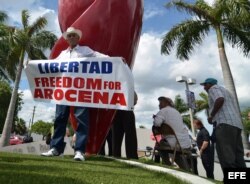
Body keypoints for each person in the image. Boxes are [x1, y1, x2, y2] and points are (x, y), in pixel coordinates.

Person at [41, 27, 108, 161]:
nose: (71, 37)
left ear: (78, 38)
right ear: (67, 39)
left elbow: (99, 56)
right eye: (69, 36)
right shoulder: (62, 54)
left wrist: (116, 60)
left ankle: (79, 151)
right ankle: (55, 149)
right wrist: (33, 64)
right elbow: (51, 65)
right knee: (60, 118)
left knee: (81, 119)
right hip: (64, 90)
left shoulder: (85, 50)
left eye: (74, 35)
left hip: (80, 90)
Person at [200, 78, 246, 172]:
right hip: (236, 125)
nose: (204, 87)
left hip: (224, 124)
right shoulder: (226, 91)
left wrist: (211, 116)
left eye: (205, 85)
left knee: (226, 156)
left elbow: (220, 99)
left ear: (210, 84)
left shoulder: (213, 89)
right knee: (238, 156)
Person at [153, 96, 191, 170]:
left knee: (159, 145)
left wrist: (156, 118)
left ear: (167, 103)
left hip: (173, 143)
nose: (159, 105)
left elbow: (156, 124)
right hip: (185, 143)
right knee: (175, 154)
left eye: (161, 102)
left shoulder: (163, 111)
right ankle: (186, 170)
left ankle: (168, 166)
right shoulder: (177, 112)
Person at [112, 92, 138, 159]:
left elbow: (135, 101)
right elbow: (135, 101)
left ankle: (116, 154)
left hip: (118, 111)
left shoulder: (115, 88)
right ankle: (131, 155)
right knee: (129, 134)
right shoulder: (130, 88)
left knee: (117, 134)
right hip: (125, 110)